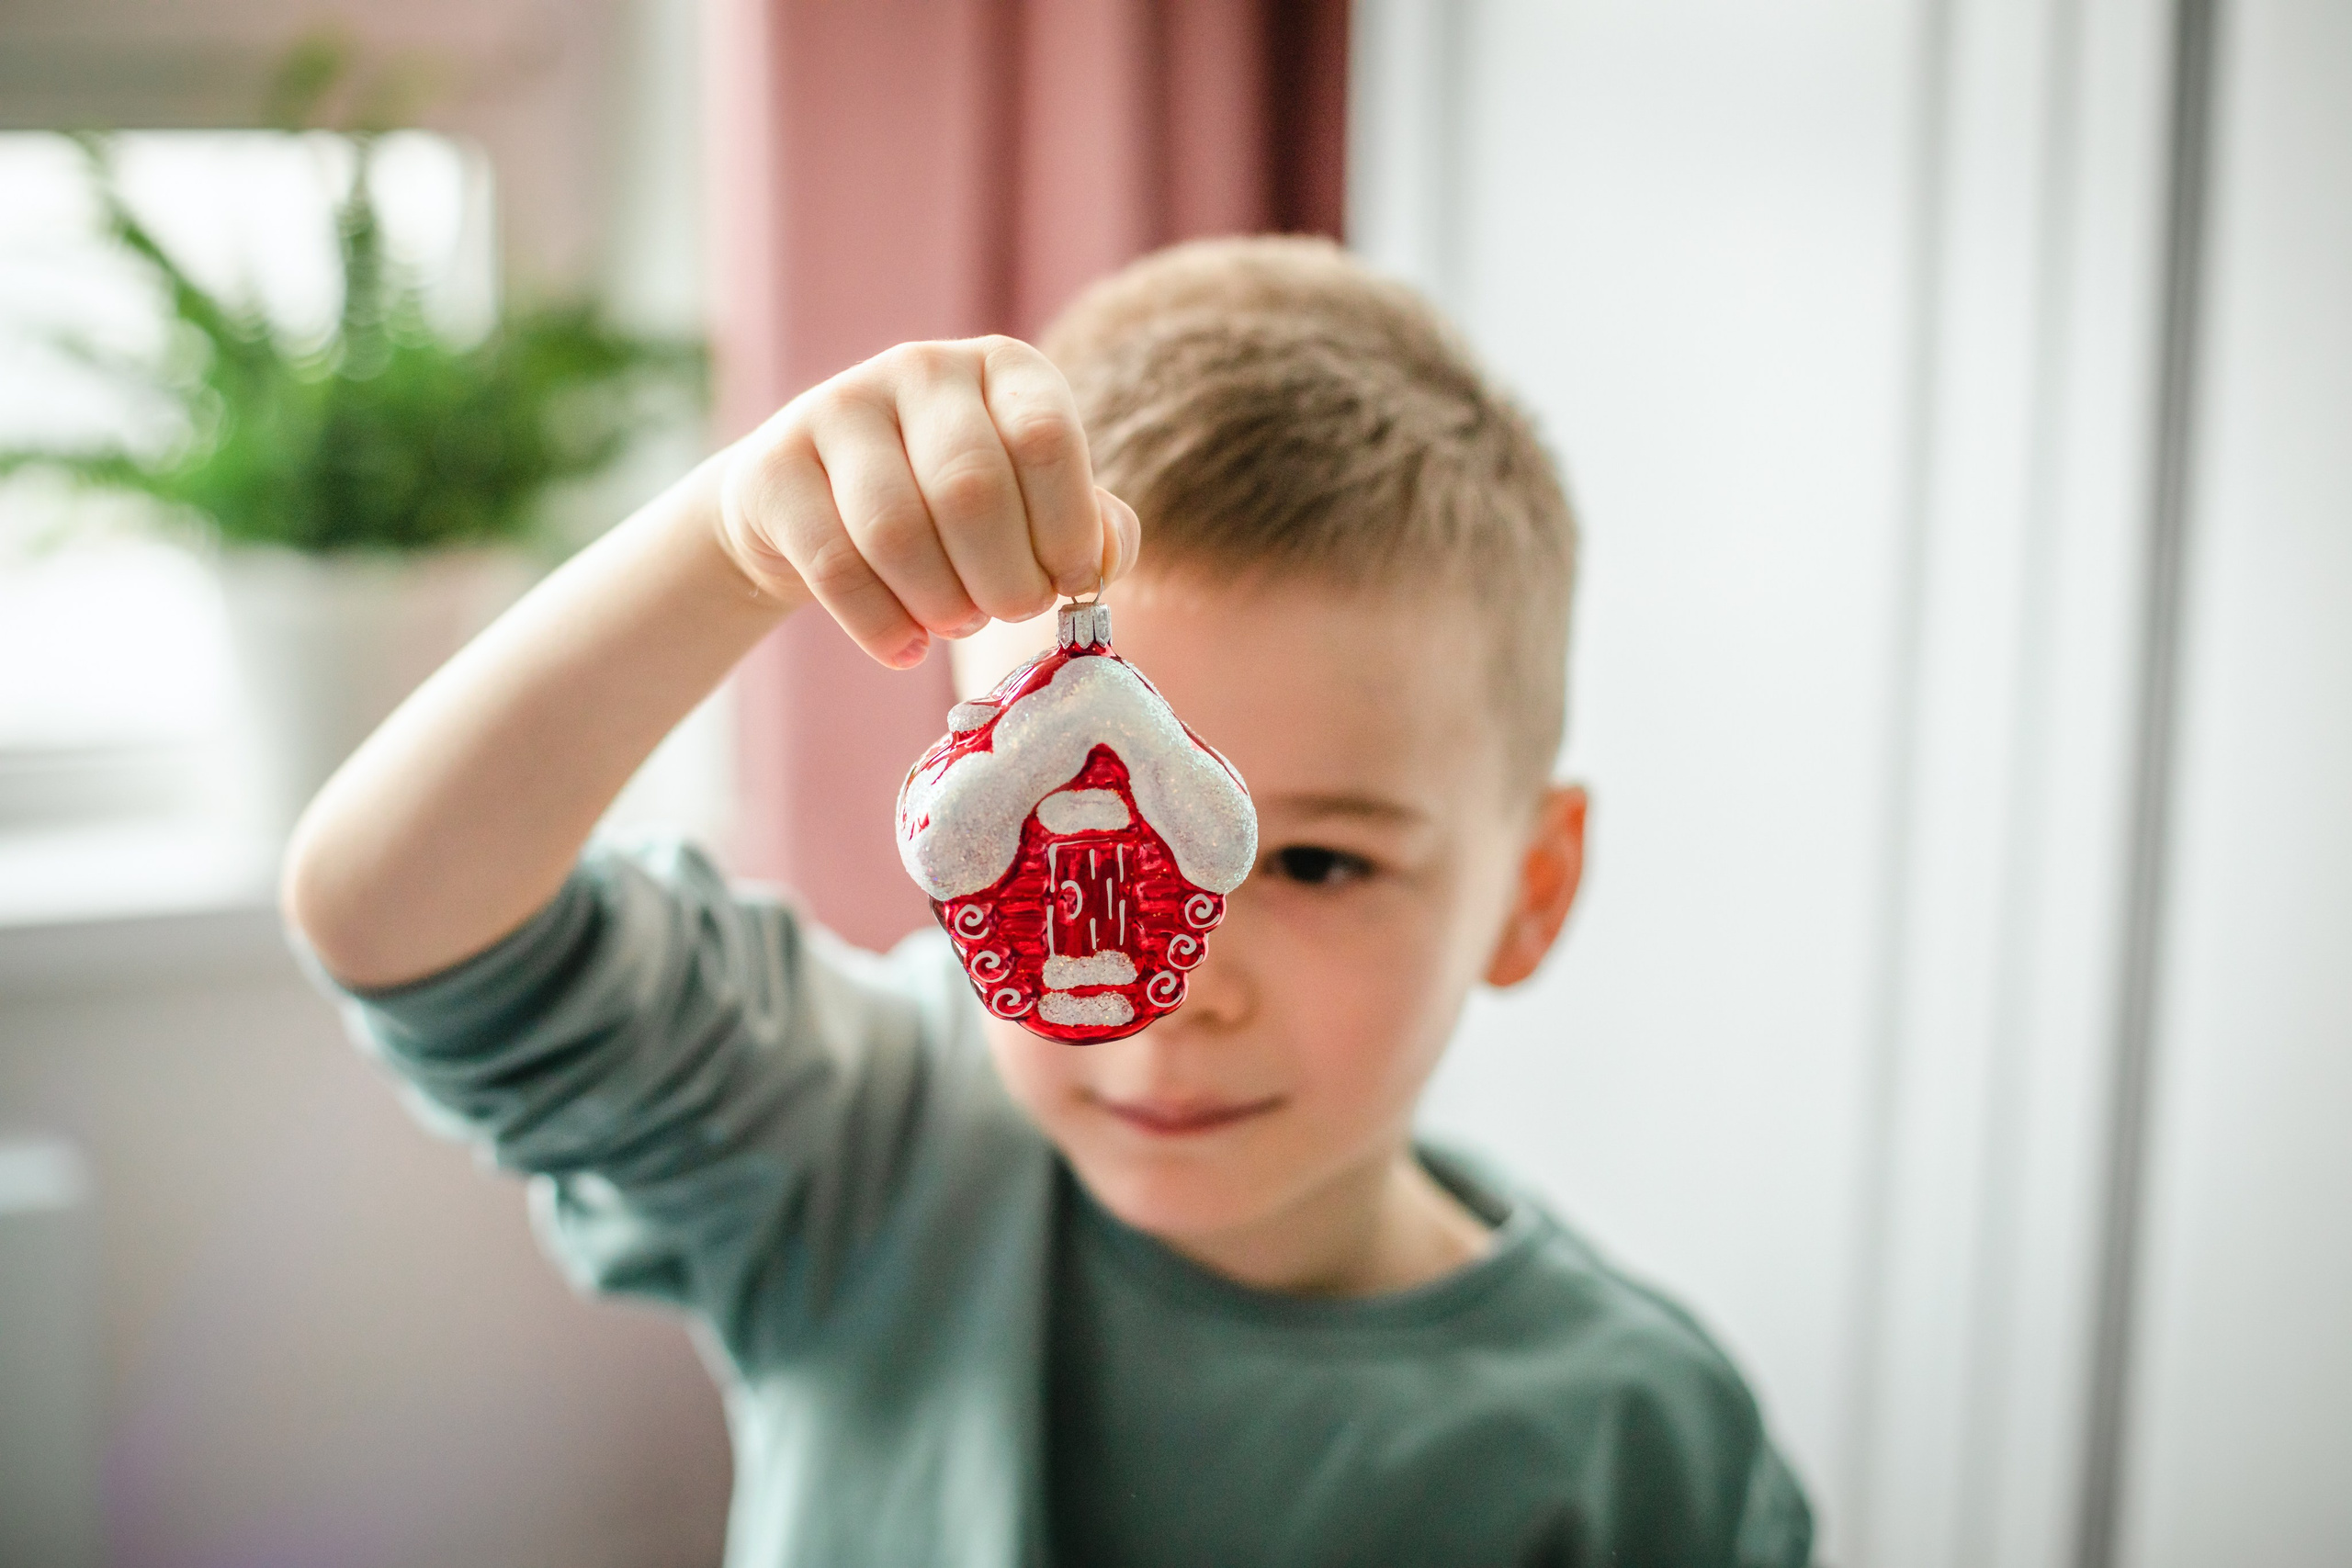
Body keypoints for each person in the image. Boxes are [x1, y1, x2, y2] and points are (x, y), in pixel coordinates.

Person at [284, 236, 1814, 1567]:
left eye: (1321, 863)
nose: (1168, 981)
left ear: (1528, 895)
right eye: (1042, 839)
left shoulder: (1647, 1452)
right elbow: (398, 922)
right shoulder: (859, 1146)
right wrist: (734, 546)